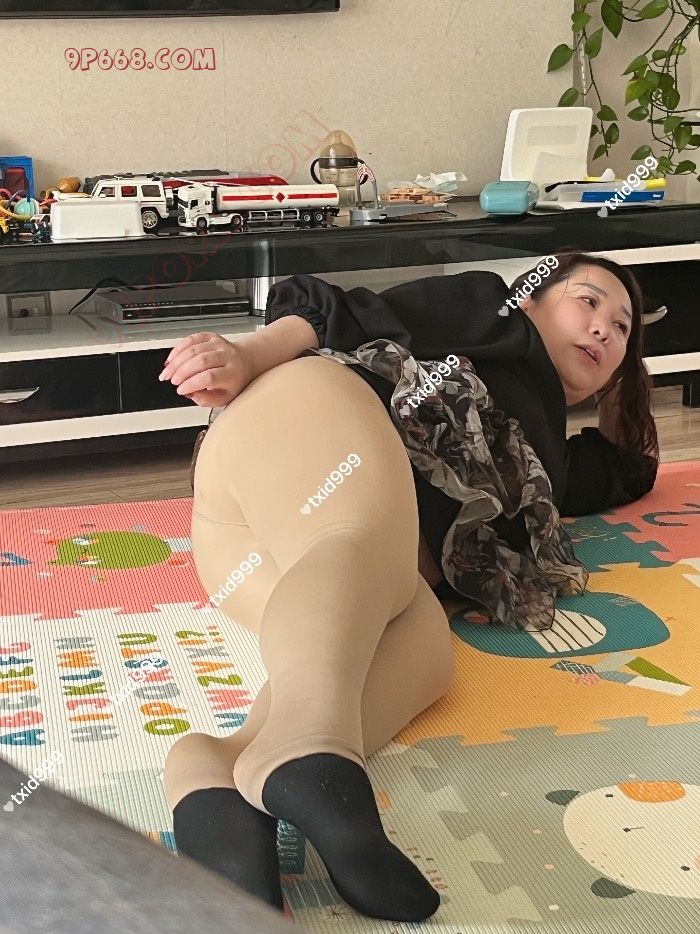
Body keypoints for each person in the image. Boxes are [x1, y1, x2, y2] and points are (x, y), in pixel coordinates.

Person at [159, 251, 659, 921]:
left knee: (424, 645)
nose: (603, 328)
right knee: (360, 533)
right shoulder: (493, 312)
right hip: (295, 434)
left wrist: (625, 385)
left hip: (274, 569)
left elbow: (632, 468)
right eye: (588, 301)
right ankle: (309, 751)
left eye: (623, 328)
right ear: (532, 296)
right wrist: (248, 354)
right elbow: (350, 309)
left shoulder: (549, 466)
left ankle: (215, 772)